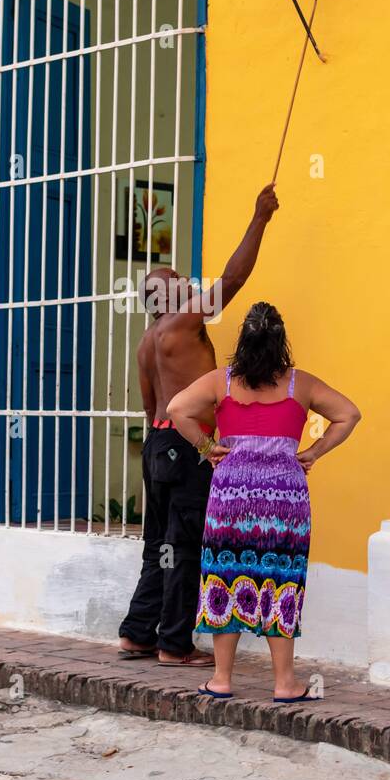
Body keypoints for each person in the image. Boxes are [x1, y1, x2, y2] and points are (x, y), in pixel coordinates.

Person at [118, 185, 280, 666]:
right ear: (164, 295)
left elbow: (151, 409)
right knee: (186, 543)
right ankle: (174, 644)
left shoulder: (149, 341)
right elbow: (233, 277)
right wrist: (260, 219)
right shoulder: (183, 322)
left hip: (158, 446)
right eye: (178, 279)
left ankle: (138, 632)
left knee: (159, 545)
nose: (189, 282)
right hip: (186, 449)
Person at [166, 302, 361, 700]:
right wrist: (314, 451)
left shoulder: (221, 382)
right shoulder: (300, 384)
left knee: (224, 576)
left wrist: (206, 446)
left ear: (243, 340)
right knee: (282, 580)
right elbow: (349, 414)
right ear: (280, 343)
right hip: (284, 500)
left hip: (230, 497)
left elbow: (176, 409)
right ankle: (285, 683)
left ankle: (221, 679)